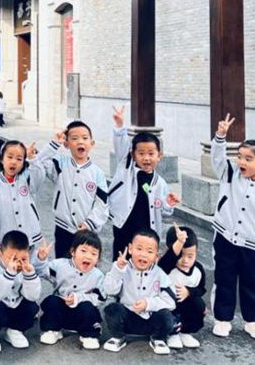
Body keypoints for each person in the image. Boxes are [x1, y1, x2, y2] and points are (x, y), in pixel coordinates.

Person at [209, 114, 255, 341]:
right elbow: (217, 158)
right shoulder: (230, 174)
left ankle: (253, 321)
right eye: (240, 157)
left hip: (251, 244)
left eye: (248, 159)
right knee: (224, 279)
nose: (242, 162)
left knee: (252, 283)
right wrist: (220, 136)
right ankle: (222, 319)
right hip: (224, 237)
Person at [109, 105, 181, 258]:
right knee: (121, 262)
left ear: (159, 155)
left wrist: (169, 203)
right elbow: (121, 146)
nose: (146, 158)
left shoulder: (160, 183)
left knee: (143, 264)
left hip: (147, 234)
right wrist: (120, 126)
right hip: (123, 228)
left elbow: (164, 211)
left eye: (151, 153)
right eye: (141, 153)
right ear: (133, 155)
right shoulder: (126, 168)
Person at [103, 229, 177, 355]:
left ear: (156, 256)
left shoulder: (160, 274)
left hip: (151, 320)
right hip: (127, 319)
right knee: (112, 309)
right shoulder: (121, 268)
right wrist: (117, 271)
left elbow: (171, 301)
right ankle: (118, 337)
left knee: (167, 316)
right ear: (130, 249)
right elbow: (109, 290)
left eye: (149, 251)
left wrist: (148, 304)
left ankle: (158, 338)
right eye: (139, 249)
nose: (143, 254)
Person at [44, 121, 109, 257]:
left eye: (85, 138)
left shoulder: (97, 173)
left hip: (87, 231)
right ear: (66, 144)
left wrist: (89, 223)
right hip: (63, 228)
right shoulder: (60, 164)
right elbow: (39, 162)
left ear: (92, 143)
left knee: (85, 264)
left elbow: (102, 203)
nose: (80, 142)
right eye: (74, 138)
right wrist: (54, 144)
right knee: (62, 265)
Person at [0, 138, 54, 260]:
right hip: (7, 237)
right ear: (1, 159)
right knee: (9, 266)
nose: (14, 162)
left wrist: (32, 159)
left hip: (29, 234)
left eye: (19, 159)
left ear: (23, 162)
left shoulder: (27, 179)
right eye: (10, 157)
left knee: (28, 265)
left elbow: (39, 175)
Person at [37, 230, 106, 350]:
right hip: (61, 312)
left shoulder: (97, 275)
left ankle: (89, 335)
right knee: (52, 301)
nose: (88, 256)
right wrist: (41, 260)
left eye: (94, 254)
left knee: (88, 308)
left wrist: (78, 298)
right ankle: (53, 330)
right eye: (83, 251)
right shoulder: (60, 265)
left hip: (82, 316)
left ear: (98, 259)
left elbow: (100, 298)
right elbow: (42, 273)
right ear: (73, 252)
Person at [0, 230, 41, 353]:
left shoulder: (26, 268)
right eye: (12, 258)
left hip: (14, 304)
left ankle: (15, 330)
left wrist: (30, 275)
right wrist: (9, 274)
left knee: (32, 307)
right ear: (0, 254)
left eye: (23, 258)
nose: (18, 263)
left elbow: (33, 296)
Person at [159, 224, 206, 349]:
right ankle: (172, 333)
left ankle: (185, 332)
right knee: (168, 311)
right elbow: (165, 262)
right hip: (168, 304)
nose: (185, 260)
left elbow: (201, 289)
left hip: (186, 304)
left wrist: (189, 291)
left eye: (190, 256)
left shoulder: (198, 269)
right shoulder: (168, 267)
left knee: (198, 304)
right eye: (180, 255)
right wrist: (179, 242)